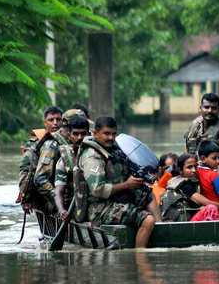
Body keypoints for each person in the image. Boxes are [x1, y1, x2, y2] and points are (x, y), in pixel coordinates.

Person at [77, 116, 161, 248]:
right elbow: (97, 189)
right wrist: (127, 184)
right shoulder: (92, 156)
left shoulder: (113, 149)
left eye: (113, 134)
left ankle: (162, 228)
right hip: (99, 208)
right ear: (95, 133)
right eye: (106, 134)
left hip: (117, 198)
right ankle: (140, 257)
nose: (111, 137)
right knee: (148, 220)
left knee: (148, 195)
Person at [160, 153, 219, 221]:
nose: (194, 170)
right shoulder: (184, 185)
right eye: (189, 167)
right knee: (211, 208)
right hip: (179, 224)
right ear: (180, 170)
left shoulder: (190, 181)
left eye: (195, 167)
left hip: (185, 220)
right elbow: (207, 202)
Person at [17, 106, 63, 213]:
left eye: (58, 119)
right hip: (44, 191)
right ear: (45, 123)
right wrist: (26, 197)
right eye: (51, 120)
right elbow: (25, 171)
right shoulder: (35, 144)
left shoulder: (70, 138)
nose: (55, 123)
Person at [54, 116, 89, 221]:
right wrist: (61, 210)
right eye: (76, 134)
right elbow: (58, 191)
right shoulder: (64, 161)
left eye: (83, 134)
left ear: (89, 134)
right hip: (75, 205)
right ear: (69, 135)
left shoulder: (97, 154)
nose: (79, 138)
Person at [196, 140, 219, 210]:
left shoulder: (196, 171)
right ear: (203, 158)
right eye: (214, 158)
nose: (218, 161)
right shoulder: (215, 175)